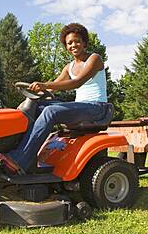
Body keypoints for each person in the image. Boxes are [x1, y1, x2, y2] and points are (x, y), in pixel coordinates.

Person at [7, 23, 108, 173]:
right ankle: (14, 151)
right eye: (70, 43)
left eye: (77, 41)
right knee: (36, 107)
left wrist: (45, 85)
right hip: (81, 107)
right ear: (66, 46)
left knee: (51, 111)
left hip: (96, 107)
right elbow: (54, 84)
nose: (74, 45)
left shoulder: (94, 59)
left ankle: (20, 159)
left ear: (84, 42)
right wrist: (36, 88)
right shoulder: (69, 67)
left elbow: (76, 82)